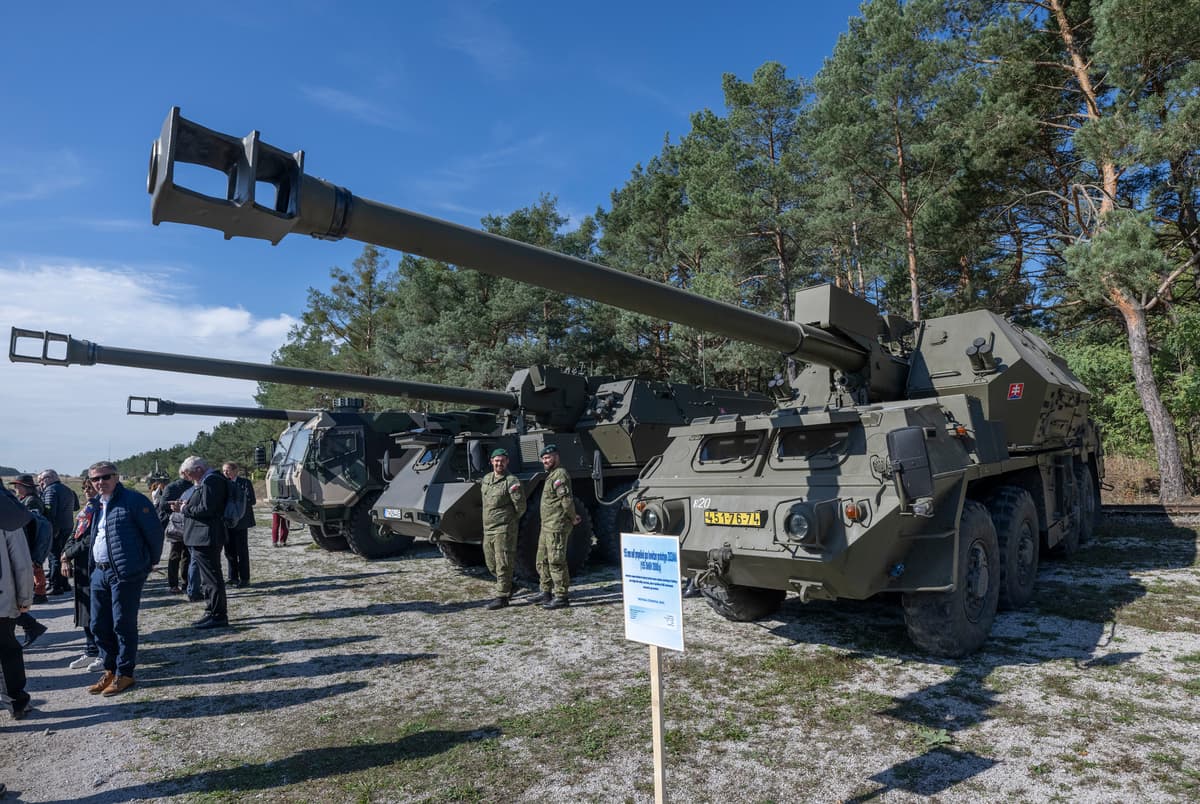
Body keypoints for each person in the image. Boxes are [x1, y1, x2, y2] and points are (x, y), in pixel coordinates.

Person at [85, 461, 164, 697]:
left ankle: (125, 672)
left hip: (126, 572)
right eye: (95, 479)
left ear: (116, 477)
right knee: (98, 623)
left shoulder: (133, 500)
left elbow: (154, 533)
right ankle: (109, 669)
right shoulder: (97, 504)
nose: (100, 482)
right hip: (100, 572)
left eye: (105, 477)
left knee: (123, 624)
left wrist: (149, 562)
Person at [177, 456, 230, 629]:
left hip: (207, 536)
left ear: (199, 469)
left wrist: (185, 509)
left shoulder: (211, 481)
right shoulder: (207, 481)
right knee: (208, 579)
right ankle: (211, 610)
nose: (188, 478)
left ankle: (218, 614)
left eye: (189, 474)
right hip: (202, 536)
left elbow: (207, 509)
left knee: (212, 578)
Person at [0, 482, 34, 719]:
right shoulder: (8, 514)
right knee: (9, 652)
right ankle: (17, 703)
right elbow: (21, 563)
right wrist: (24, 599)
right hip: (2, 602)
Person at [62, 478, 102, 671]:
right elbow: (74, 534)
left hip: (95, 563)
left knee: (99, 611)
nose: (87, 491)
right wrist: (65, 555)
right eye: (85, 488)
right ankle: (91, 648)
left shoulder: (101, 509)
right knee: (84, 608)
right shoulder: (85, 510)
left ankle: (103, 652)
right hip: (81, 566)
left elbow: (90, 539)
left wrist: (68, 553)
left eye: (90, 488)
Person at [480, 448, 527, 611]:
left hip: (504, 529)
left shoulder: (511, 481)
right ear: (491, 462)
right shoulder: (486, 479)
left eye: (502, 460)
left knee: (503, 563)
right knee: (491, 563)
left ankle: (502, 597)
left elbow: (520, 507)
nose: (499, 463)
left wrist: (509, 523)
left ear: (507, 462)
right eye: (496, 460)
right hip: (488, 529)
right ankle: (510, 585)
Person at [535, 445, 580, 610]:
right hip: (546, 525)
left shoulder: (560, 474)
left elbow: (566, 500)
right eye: (544, 458)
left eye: (549, 457)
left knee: (556, 561)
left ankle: (561, 596)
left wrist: (573, 517)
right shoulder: (551, 475)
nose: (546, 460)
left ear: (556, 457)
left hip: (556, 525)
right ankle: (545, 591)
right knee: (543, 559)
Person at [11, 475, 49, 605]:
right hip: (29, 536)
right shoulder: (24, 499)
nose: (15, 488)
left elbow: (34, 522)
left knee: (35, 566)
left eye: (18, 485)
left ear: (25, 487)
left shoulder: (31, 500)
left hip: (32, 537)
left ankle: (40, 593)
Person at [38, 469, 77, 595]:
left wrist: (49, 530)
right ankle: (64, 583)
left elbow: (49, 512)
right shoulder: (68, 489)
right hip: (68, 526)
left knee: (55, 557)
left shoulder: (51, 490)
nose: (41, 483)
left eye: (42, 480)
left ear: (49, 478)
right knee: (64, 556)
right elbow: (76, 507)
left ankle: (55, 585)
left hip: (56, 529)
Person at [156, 471, 194, 595]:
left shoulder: (193, 486)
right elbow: (162, 505)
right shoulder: (172, 487)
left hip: (187, 523)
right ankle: (177, 583)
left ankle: (181, 583)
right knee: (178, 555)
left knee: (183, 555)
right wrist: (176, 504)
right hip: (177, 524)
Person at [221, 462, 256, 587]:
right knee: (229, 551)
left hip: (241, 522)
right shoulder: (223, 483)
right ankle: (233, 577)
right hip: (227, 522)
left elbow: (252, 500)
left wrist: (237, 502)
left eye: (228, 470)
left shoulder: (244, 483)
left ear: (235, 471)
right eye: (224, 470)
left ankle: (245, 578)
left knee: (242, 551)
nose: (225, 473)